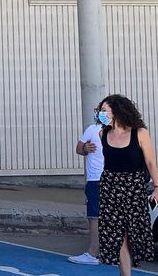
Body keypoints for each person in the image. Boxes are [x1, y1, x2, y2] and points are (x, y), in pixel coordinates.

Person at [96, 95, 158, 275]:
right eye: (100, 111)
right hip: (110, 188)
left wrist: (157, 187)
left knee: (133, 233)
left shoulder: (139, 133)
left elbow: (150, 162)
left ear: (116, 111)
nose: (101, 114)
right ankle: (125, 273)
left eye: (104, 110)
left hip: (133, 188)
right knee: (118, 235)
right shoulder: (103, 134)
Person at [68, 110, 105, 265]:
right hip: (96, 177)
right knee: (96, 215)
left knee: (97, 216)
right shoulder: (92, 129)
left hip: (106, 178)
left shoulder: (122, 130)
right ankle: (97, 251)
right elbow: (79, 148)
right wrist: (85, 149)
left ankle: (94, 253)